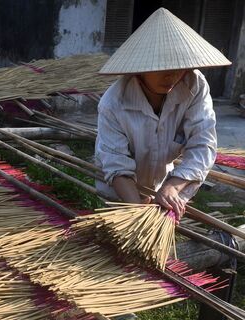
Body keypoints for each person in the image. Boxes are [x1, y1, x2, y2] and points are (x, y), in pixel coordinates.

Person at [95, 8, 231, 219]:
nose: (172, 75)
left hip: (162, 183)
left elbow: (203, 144)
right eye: (162, 67)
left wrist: (173, 187)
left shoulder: (194, 85)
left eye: (179, 66)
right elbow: (116, 164)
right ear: (139, 68)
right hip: (120, 191)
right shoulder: (113, 103)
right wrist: (137, 212)